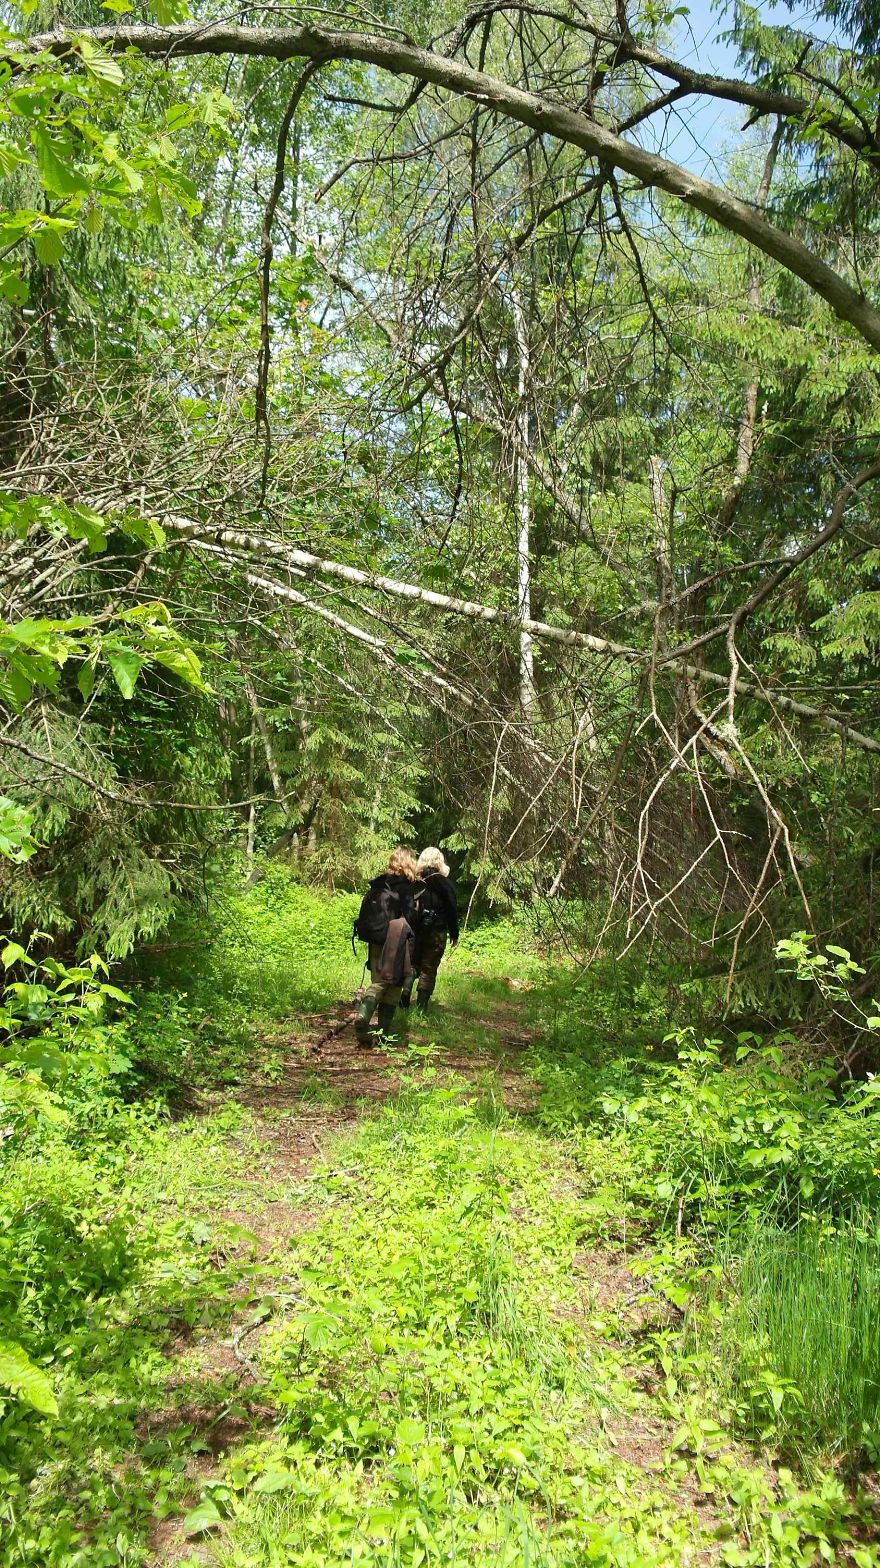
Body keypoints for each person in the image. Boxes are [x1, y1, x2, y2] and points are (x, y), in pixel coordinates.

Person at [353, 847, 419, 1039]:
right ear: (409, 863)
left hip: (375, 939)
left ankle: (366, 1018)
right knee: (392, 985)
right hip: (394, 943)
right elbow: (410, 918)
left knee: (378, 979)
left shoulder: (379, 884)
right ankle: (380, 1031)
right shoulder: (405, 887)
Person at [401, 847, 459, 1011]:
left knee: (412, 963)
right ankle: (421, 1008)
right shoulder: (445, 883)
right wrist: (454, 934)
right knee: (429, 967)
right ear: (440, 861)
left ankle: (406, 990)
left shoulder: (414, 881)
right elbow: (452, 910)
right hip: (436, 932)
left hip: (414, 930)